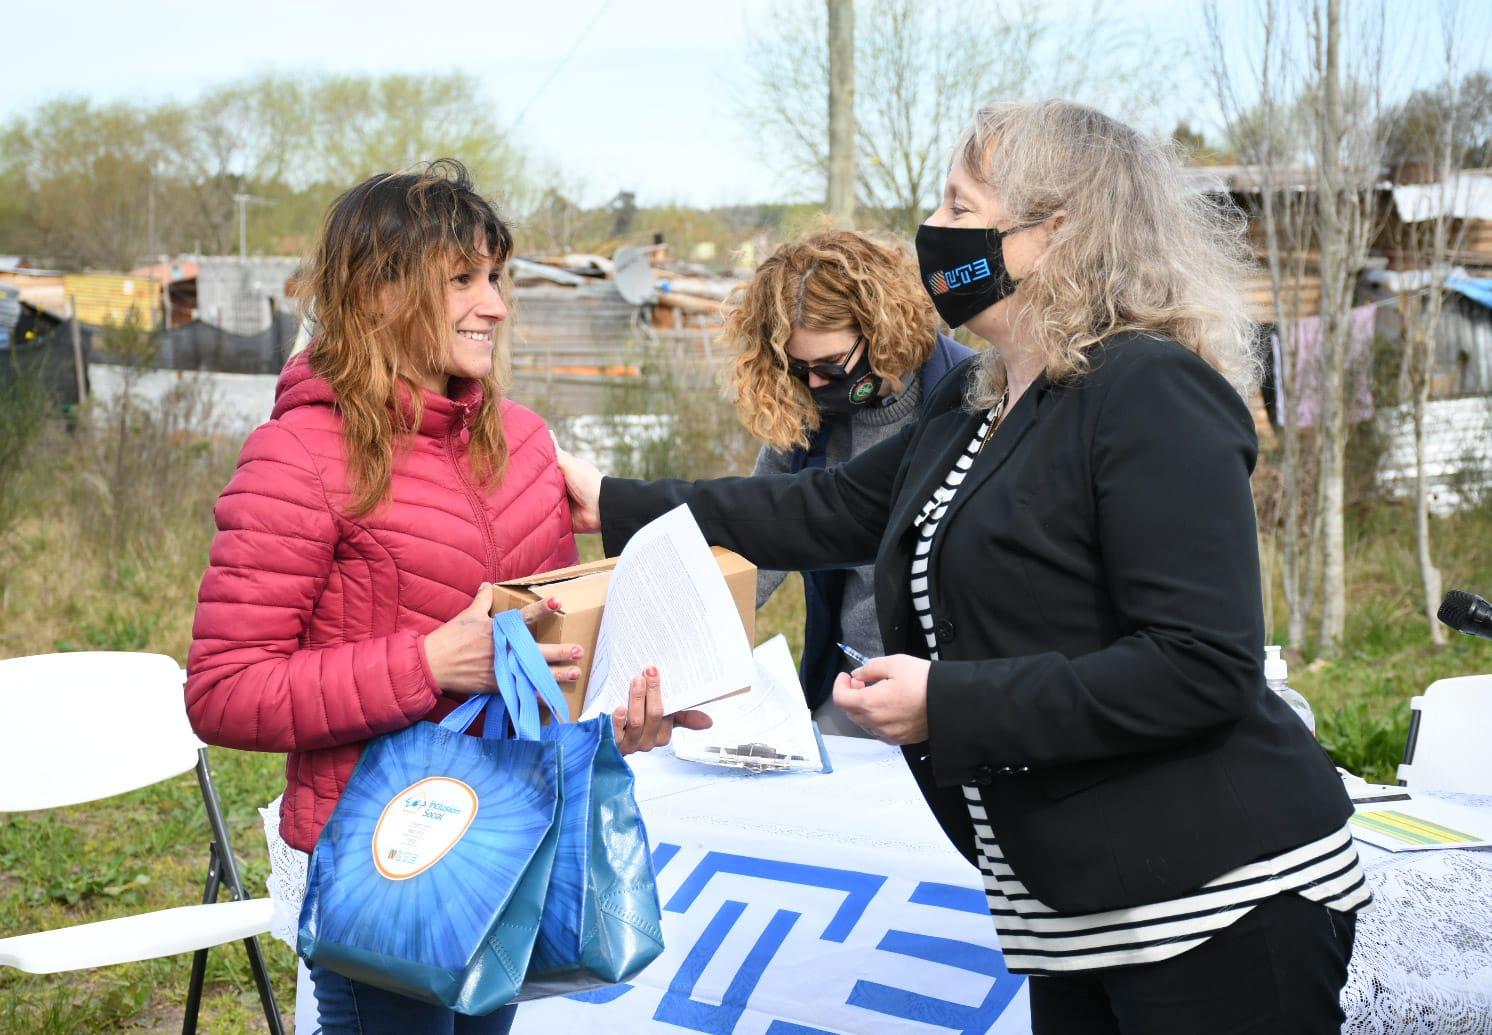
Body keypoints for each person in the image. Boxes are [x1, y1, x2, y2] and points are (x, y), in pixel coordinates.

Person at [559, 101, 1369, 1034]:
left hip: (1216, 905)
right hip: (1071, 915)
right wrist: (612, 503)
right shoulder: (973, 401)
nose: (935, 229)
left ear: (1051, 234)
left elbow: (1201, 663)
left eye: (960, 201)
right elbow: (816, 508)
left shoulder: (1147, 388)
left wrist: (949, 703)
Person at [185, 160, 706, 1035]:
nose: (496, 304)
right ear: (380, 293)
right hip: (380, 864)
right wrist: (427, 663)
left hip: (503, 850)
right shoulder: (298, 457)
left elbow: (556, 656)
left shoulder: (527, 443)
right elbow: (223, 690)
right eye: (462, 279)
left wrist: (616, 716)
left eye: (494, 276)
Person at [723, 229, 971, 734]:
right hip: (851, 683)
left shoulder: (969, 398)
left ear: (882, 330)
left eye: (830, 366)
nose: (815, 384)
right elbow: (760, 537)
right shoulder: (808, 415)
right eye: (799, 367)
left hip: (945, 689)